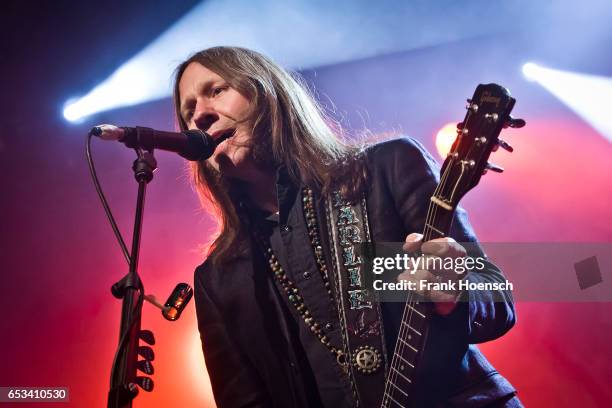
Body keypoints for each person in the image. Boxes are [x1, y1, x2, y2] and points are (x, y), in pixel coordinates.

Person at [173, 46, 522, 407]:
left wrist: (455, 293)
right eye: (188, 111)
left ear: (267, 93)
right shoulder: (219, 279)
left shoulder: (386, 168)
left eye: (216, 90)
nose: (200, 115)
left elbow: (497, 297)